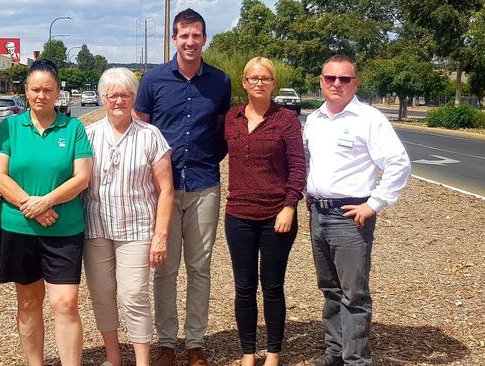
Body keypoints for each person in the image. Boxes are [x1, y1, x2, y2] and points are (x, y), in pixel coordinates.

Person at [134, 8, 232, 366]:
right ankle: (165, 342)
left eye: (196, 35)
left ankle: (195, 342)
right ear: (174, 39)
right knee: (165, 267)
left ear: (204, 39)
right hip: (163, 190)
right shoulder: (153, 80)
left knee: (200, 266)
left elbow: (222, 131)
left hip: (205, 183)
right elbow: (140, 132)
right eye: (183, 35)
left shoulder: (220, 82)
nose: (190, 42)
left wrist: (208, 158)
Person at [304, 55, 411, 366]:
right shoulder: (315, 119)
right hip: (318, 213)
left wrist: (374, 204)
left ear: (356, 82)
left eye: (344, 79)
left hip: (349, 216)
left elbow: (398, 163)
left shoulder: (369, 119)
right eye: (330, 78)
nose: (336, 84)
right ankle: (335, 353)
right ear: (321, 81)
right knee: (331, 290)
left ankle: (355, 360)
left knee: (354, 294)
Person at [0, 59, 93, 366]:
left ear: (58, 92)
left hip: (64, 229)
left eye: (47, 90)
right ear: (25, 91)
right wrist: (33, 208)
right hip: (19, 228)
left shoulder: (73, 128)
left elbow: (81, 178)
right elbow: (0, 176)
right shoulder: (10, 127)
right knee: (28, 301)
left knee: (65, 304)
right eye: (35, 89)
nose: (41, 95)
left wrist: (46, 202)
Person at [83, 67, 174, 366]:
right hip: (96, 228)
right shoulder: (89, 134)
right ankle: (113, 357)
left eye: (125, 95)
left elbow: (166, 190)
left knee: (134, 295)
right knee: (102, 294)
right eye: (112, 95)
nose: (118, 101)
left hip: (136, 229)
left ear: (134, 97)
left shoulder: (151, 136)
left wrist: (160, 236)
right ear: (103, 98)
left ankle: (142, 360)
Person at [224, 57, 306, 366]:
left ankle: (273, 353)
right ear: (244, 82)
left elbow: (299, 166)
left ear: (273, 84)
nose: (260, 82)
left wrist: (289, 205)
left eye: (266, 78)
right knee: (244, 287)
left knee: (272, 286)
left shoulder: (285, 120)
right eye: (254, 78)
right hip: (239, 216)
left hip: (277, 216)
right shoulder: (231, 119)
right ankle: (248, 352)